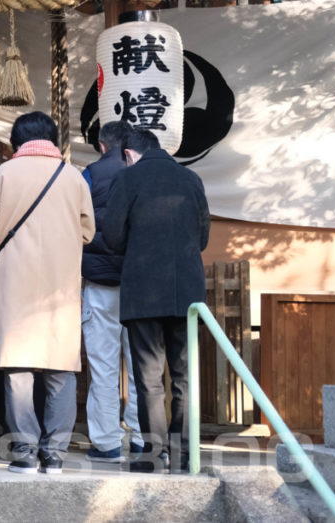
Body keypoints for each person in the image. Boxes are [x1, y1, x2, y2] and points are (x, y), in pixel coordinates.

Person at [0, 111, 94, 476]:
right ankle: (55, 453)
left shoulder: (4, 174)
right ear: (53, 139)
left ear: (18, 140)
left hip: (16, 284)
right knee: (60, 370)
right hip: (59, 287)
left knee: (18, 370)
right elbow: (88, 232)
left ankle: (25, 450)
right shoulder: (73, 177)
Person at [103, 128, 211, 474]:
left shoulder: (128, 179)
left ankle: (153, 455)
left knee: (149, 378)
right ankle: (184, 455)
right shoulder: (191, 179)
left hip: (143, 292)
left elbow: (113, 237)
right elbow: (204, 236)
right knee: (184, 376)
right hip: (187, 294)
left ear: (129, 154)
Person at [80, 121, 144, 464]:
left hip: (99, 284)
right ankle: (140, 437)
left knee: (103, 366)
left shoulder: (87, 176)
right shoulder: (141, 174)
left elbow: (78, 223)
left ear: (102, 146)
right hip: (138, 285)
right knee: (140, 366)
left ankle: (107, 443)